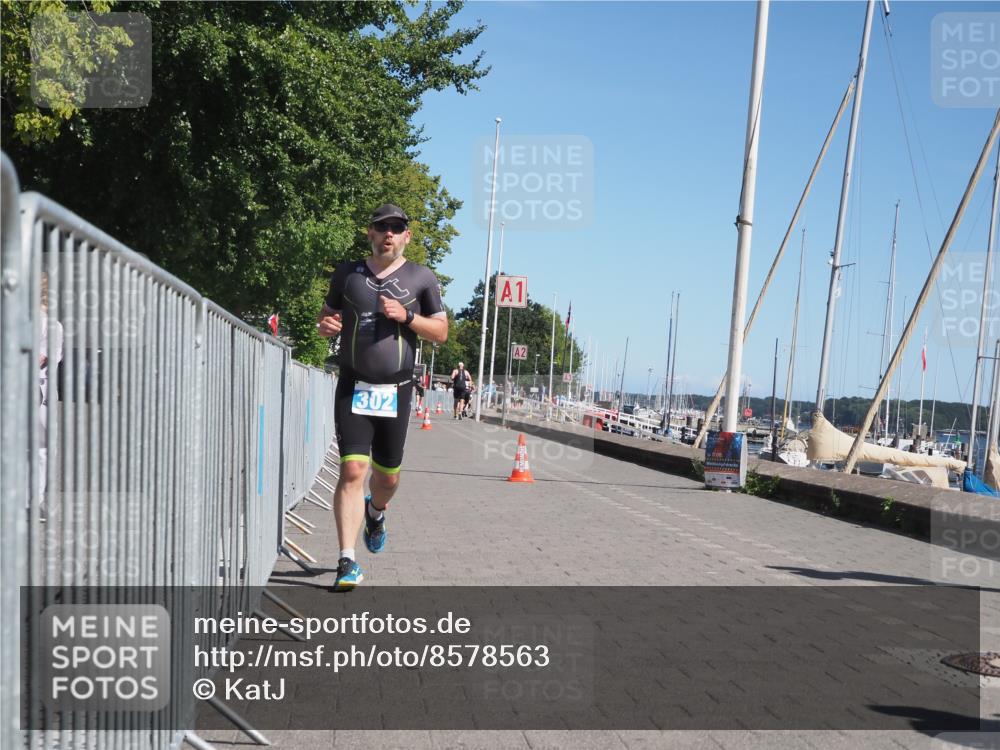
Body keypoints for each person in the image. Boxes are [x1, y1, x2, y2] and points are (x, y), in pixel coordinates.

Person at [317, 204, 448, 590]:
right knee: (353, 470)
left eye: (396, 227)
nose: (388, 233)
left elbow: (440, 332)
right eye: (381, 226)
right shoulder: (348, 274)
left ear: (407, 236)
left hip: (397, 391)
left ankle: (376, 512)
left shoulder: (421, 278)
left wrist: (406, 318)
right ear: (370, 233)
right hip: (353, 385)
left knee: (387, 479)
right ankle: (346, 560)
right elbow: (328, 316)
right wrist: (326, 326)